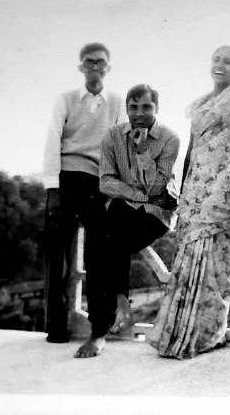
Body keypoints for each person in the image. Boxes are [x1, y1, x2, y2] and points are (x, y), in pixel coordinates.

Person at [149, 46, 230, 359]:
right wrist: (184, 193)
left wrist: (227, 188)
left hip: (223, 190)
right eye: (216, 60)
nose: (220, 65)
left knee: (216, 265)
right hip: (195, 190)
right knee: (187, 261)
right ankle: (177, 333)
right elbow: (193, 151)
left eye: (228, 62)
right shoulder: (199, 105)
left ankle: (209, 334)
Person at [73, 84, 180, 358]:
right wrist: (138, 195)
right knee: (101, 239)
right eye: (133, 107)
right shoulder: (112, 137)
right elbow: (106, 183)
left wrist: (143, 149)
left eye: (146, 107)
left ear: (157, 108)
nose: (139, 113)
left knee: (107, 239)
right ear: (127, 109)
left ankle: (112, 311)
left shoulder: (169, 139)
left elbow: (158, 189)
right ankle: (107, 319)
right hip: (123, 209)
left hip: (158, 214)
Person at [42, 43, 125, 346]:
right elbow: (53, 139)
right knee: (58, 258)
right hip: (65, 179)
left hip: (97, 183)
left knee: (98, 256)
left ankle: (98, 327)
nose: (95, 67)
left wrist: (114, 187)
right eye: (89, 62)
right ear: (81, 67)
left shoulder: (116, 102)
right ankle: (55, 327)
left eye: (100, 62)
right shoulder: (65, 100)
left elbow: (117, 145)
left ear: (108, 68)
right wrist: (52, 189)